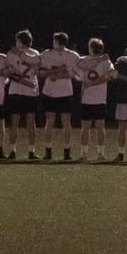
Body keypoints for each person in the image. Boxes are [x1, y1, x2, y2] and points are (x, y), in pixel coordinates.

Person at [37, 31, 79, 161]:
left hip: (64, 92)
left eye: (54, 41)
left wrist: (57, 75)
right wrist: (53, 73)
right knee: (50, 122)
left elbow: (74, 74)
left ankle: (66, 151)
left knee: (65, 122)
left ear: (57, 42)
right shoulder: (47, 54)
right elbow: (41, 72)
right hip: (50, 91)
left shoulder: (72, 55)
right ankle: (49, 150)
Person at [4, 30, 41, 160]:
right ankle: (31, 151)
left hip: (16, 91)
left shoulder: (11, 54)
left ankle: (12, 150)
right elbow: (37, 72)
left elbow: (10, 74)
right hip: (31, 91)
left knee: (15, 122)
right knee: (31, 122)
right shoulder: (35, 53)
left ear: (19, 41)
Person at [75, 37, 113, 161]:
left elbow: (76, 74)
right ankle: (100, 153)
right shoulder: (104, 61)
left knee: (85, 128)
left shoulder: (83, 61)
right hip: (99, 99)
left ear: (91, 48)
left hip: (88, 98)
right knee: (99, 128)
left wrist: (88, 82)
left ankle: (84, 153)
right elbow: (111, 75)